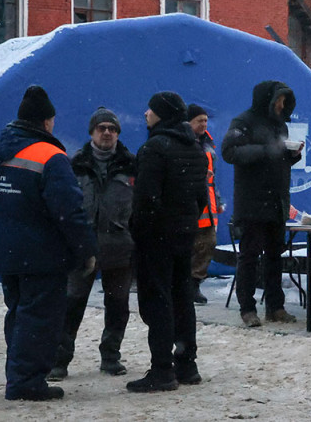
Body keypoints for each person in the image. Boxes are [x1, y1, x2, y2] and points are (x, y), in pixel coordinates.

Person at [0, 85, 95, 402]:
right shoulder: (50, 156)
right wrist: (86, 251)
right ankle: (27, 382)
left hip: (5, 252)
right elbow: (70, 211)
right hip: (42, 255)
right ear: (46, 122)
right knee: (40, 318)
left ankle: (18, 375)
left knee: (18, 314)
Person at [127, 91, 209, 393]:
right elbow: (201, 197)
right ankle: (186, 364)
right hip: (184, 234)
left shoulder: (155, 148)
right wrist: (184, 222)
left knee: (157, 300)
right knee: (182, 297)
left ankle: (161, 369)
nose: (146, 114)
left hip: (156, 238)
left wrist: (141, 231)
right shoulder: (195, 148)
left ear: (161, 114)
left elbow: (147, 198)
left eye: (151, 110)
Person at [51, 107, 136, 381]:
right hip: (82, 249)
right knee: (71, 304)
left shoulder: (132, 165)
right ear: (92, 133)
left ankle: (111, 357)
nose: (107, 133)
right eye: (102, 128)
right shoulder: (74, 165)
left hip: (120, 248)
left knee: (118, 305)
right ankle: (59, 361)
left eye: (112, 128)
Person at [222, 80, 301, 328]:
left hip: (277, 201)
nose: (281, 105)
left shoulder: (280, 126)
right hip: (252, 201)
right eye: (278, 100)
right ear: (266, 99)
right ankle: (248, 308)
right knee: (249, 257)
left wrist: (291, 156)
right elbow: (230, 152)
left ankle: (275, 307)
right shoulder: (243, 121)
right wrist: (265, 150)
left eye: (284, 101)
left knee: (275, 257)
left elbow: (278, 159)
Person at [187, 103, 225, 305]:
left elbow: (213, 175)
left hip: (208, 203)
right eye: (199, 121)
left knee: (208, 244)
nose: (204, 124)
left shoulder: (208, 143)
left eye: (205, 121)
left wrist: (216, 200)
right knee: (189, 246)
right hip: (190, 202)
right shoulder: (184, 142)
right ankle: (184, 285)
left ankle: (194, 285)